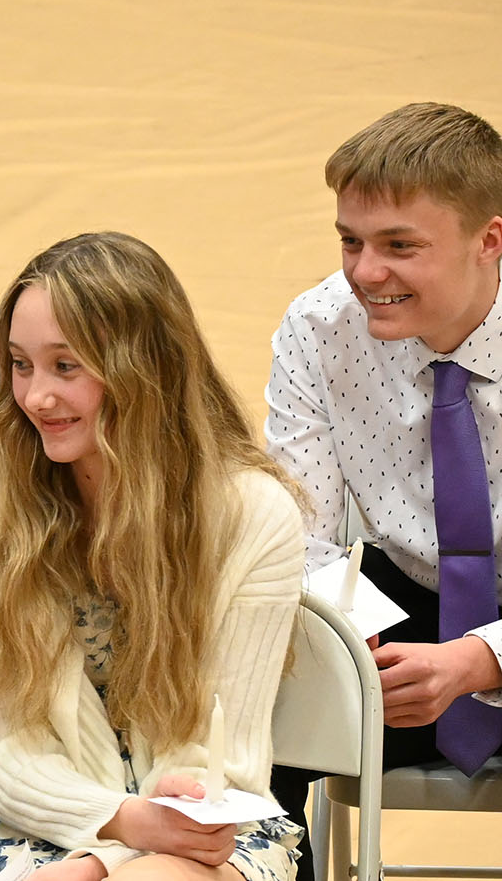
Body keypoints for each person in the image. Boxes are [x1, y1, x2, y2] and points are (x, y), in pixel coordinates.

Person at [0, 233, 305, 881]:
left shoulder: (253, 515)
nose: (36, 396)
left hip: (206, 821)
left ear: (145, 369)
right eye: (20, 364)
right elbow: (2, 759)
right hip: (26, 818)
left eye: (65, 367)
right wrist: (115, 832)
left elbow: (221, 758)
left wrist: (103, 864)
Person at [263, 102, 502, 879]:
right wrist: (355, 646)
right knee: (249, 685)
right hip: (398, 602)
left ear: (488, 241)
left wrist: (477, 660)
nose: (366, 272)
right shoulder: (317, 329)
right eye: (351, 241)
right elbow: (298, 539)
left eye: (400, 246)